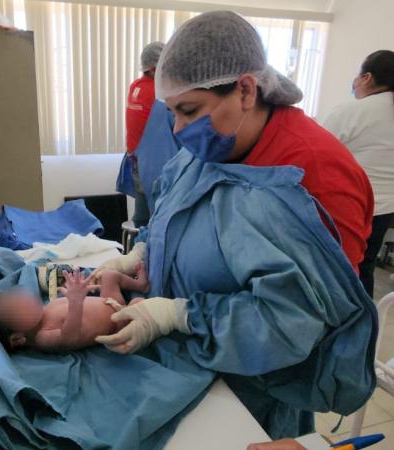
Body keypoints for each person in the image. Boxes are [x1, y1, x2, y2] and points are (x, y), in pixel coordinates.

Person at [94, 11, 377, 440]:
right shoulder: (213, 143)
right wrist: (144, 253)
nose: (178, 128)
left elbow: (298, 319)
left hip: (255, 388)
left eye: (188, 110)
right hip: (186, 368)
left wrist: (179, 314)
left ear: (245, 89)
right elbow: (175, 208)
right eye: (171, 112)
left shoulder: (315, 175)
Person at [322, 50, 394, 298]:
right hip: (384, 209)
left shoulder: (352, 111)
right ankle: (362, 329)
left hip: (348, 207)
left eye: (357, 75)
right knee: (365, 268)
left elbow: (314, 152)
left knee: (332, 268)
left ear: (367, 78)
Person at [0, 266, 149, 352]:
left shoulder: (45, 308)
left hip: (108, 301)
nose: (22, 299)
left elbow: (61, 298)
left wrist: (72, 288)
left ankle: (141, 284)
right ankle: (151, 304)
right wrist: (76, 302)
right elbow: (70, 337)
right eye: (15, 308)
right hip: (118, 324)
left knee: (108, 275)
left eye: (16, 297)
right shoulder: (42, 337)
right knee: (138, 305)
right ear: (17, 339)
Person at [125, 41, 165, 227]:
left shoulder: (135, 86)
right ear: (155, 67)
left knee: (142, 215)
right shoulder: (158, 91)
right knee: (157, 217)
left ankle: (137, 251)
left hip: (136, 158)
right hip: (152, 161)